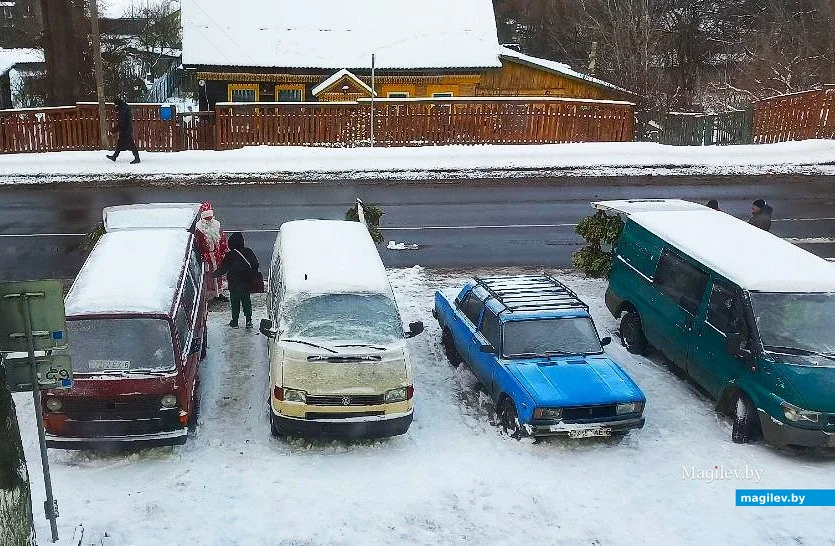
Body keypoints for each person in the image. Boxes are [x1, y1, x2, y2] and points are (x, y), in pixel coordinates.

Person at [213, 232, 258, 329]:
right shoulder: (248, 251)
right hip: (246, 283)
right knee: (246, 302)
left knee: (235, 303)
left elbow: (223, 269)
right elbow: (255, 264)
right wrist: (252, 276)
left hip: (234, 284)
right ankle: (248, 321)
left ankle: (235, 321)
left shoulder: (230, 255)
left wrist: (214, 274)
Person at [194, 202, 228, 301]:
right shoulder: (199, 228)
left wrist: (223, 251)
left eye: (210, 217)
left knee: (218, 275)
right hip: (206, 256)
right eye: (207, 218)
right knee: (209, 276)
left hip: (216, 255)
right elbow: (198, 243)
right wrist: (203, 255)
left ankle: (219, 293)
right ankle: (210, 294)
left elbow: (222, 238)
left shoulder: (216, 224)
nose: (209, 220)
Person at [106, 97, 140, 164]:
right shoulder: (124, 108)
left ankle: (137, 158)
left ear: (118, 104)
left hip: (126, 130)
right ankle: (114, 157)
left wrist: (113, 131)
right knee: (119, 143)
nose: (115, 106)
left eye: (115, 105)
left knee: (131, 144)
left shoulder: (123, 110)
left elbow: (121, 123)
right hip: (125, 129)